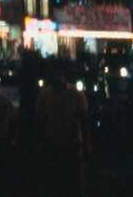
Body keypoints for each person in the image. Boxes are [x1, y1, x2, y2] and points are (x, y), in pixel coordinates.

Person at [33, 59, 88, 195]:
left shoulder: (74, 94)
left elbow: (83, 120)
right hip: (54, 143)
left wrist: (86, 144)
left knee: (69, 183)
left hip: (70, 143)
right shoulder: (48, 94)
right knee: (58, 182)